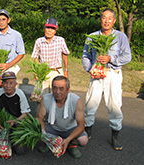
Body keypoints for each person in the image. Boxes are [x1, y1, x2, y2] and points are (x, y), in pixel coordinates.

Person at [82, 8, 132, 151]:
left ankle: (115, 135)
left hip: (112, 74)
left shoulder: (120, 37)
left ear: (114, 21)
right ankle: (88, 130)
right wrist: (90, 70)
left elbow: (127, 56)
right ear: (100, 19)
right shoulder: (92, 36)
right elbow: (85, 56)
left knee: (114, 105)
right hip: (96, 75)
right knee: (90, 103)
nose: (106, 21)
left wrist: (111, 58)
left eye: (109, 18)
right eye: (104, 17)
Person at [0, 71, 31, 155]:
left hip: (16, 121)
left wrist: (14, 121)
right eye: (5, 83)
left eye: (11, 83)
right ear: (2, 84)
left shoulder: (20, 94)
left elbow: (26, 113)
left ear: (15, 84)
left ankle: (9, 139)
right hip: (3, 119)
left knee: (20, 151)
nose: (8, 86)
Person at [37, 76, 88, 159]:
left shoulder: (76, 101)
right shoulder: (46, 98)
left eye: (61, 89)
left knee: (83, 140)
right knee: (36, 130)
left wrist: (68, 139)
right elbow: (39, 118)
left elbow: (81, 126)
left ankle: (71, 144)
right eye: (55, 88)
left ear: (68, 90)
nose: (57, 92)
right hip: (52, 127)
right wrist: (43, 134)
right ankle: (50, 142)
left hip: (70, 129)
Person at [0, 9, 25, 97]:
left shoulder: (16, 35)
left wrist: (9, 65)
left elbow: (21, 53)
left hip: (10, 69)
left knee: (11, 95)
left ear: (8, 20)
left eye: (4, 19)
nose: (1, 22)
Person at [31, 18, 70, 94]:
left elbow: (65, 55)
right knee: (41, 96)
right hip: (43, 72)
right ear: (44, 28)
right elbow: (36, 58)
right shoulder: (39, 41)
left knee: (58, 95)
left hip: (56, 71)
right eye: (48, 27)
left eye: (52, 28)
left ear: (55, 31)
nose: (49, 30)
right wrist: (36, 72)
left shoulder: (60, 40)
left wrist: (66, 71)